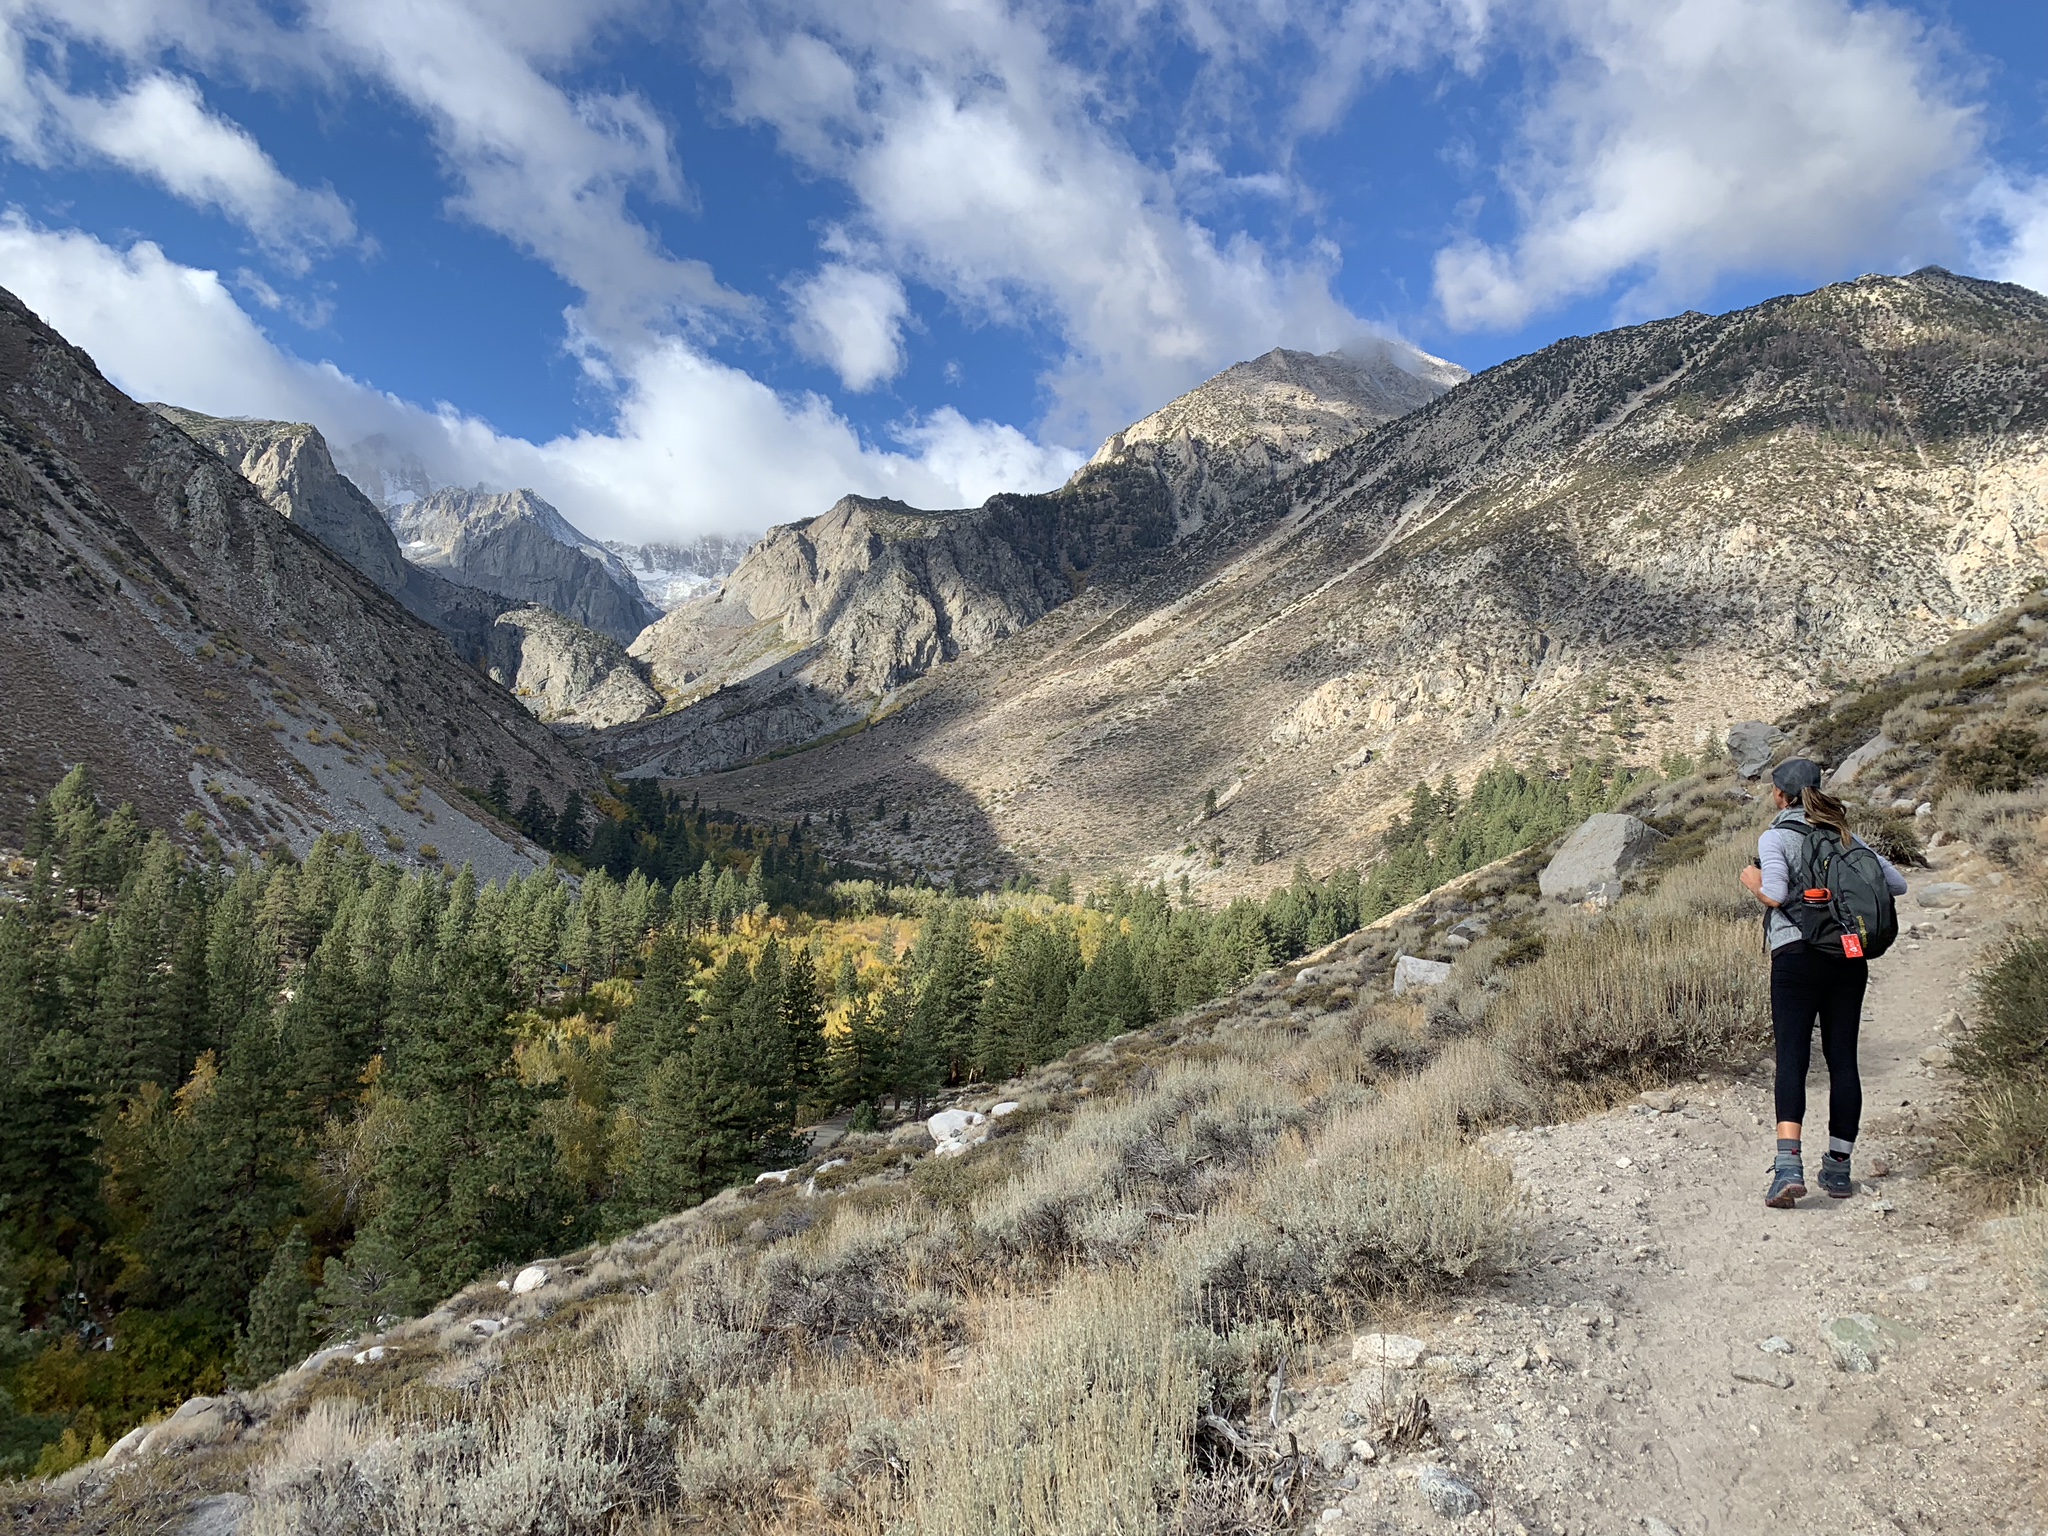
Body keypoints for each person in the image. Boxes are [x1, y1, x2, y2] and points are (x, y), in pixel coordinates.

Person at [1738, 758, 1908, 1208]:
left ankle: (1788, 1168)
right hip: (1847, 958)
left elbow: (1775, 894)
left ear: (1780, 795)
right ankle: (1838, 1168)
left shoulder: (1776, 837)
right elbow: (1897, 885)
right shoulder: (1845, 834)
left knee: (1792, 1058)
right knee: (1843, 1060)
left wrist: (1753, 882)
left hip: (1796, 957)